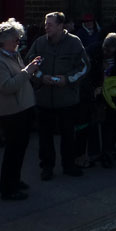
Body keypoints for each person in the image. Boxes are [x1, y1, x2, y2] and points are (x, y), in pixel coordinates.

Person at [26, 12, 89, 180]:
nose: (46, 27)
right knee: (45, 137)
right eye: (46, 24)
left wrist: (67, 79)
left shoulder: (74, 43)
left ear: (61, 26)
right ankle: (47, 167)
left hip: (67, 99)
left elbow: (83, 67)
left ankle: (69, 165)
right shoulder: (39, 43)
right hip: (44, 99)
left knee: (68, 135)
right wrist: (41, 77)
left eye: (50, 24)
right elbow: (29, 65)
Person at [0, 19, 40, 201]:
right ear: (4, 41)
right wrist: (28, 71)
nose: (19, 43)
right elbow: (7, 86)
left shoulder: (11, 54)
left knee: (20, 149)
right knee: (12, 151)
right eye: (16, 40)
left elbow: (19, 76)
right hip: (11, 112)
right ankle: (7, 189)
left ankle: (15, 180)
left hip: (23, 108)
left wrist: (28, 69)